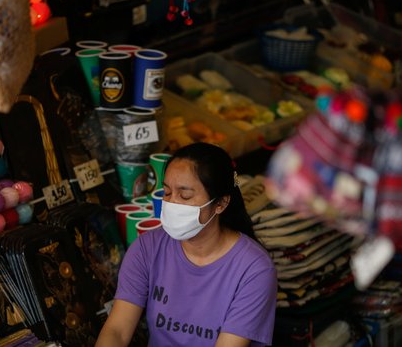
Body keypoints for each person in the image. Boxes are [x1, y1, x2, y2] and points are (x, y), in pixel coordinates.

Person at [96, 143, 277, 347]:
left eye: (185, 195)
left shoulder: (254, 269)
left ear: (220, 204)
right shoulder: (147, 248)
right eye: (166, 192)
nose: (172, 203)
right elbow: (117, 331)